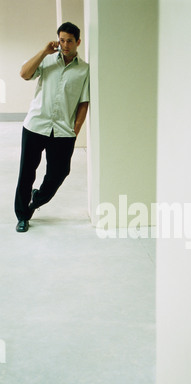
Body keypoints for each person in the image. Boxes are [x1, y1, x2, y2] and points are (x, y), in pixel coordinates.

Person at [14, 21, 90, 233]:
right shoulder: (46, 60)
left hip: (63, 131)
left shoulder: (84, 70)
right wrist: (43, 51)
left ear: (78, 42)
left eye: (69, 41)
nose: (65, 45)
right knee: (26, 173)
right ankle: (22, 215)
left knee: (60, 172)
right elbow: (24, 74)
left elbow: (84, 103)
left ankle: (36, 199)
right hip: (36, 125)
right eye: (62, 40)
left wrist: (75, 130)